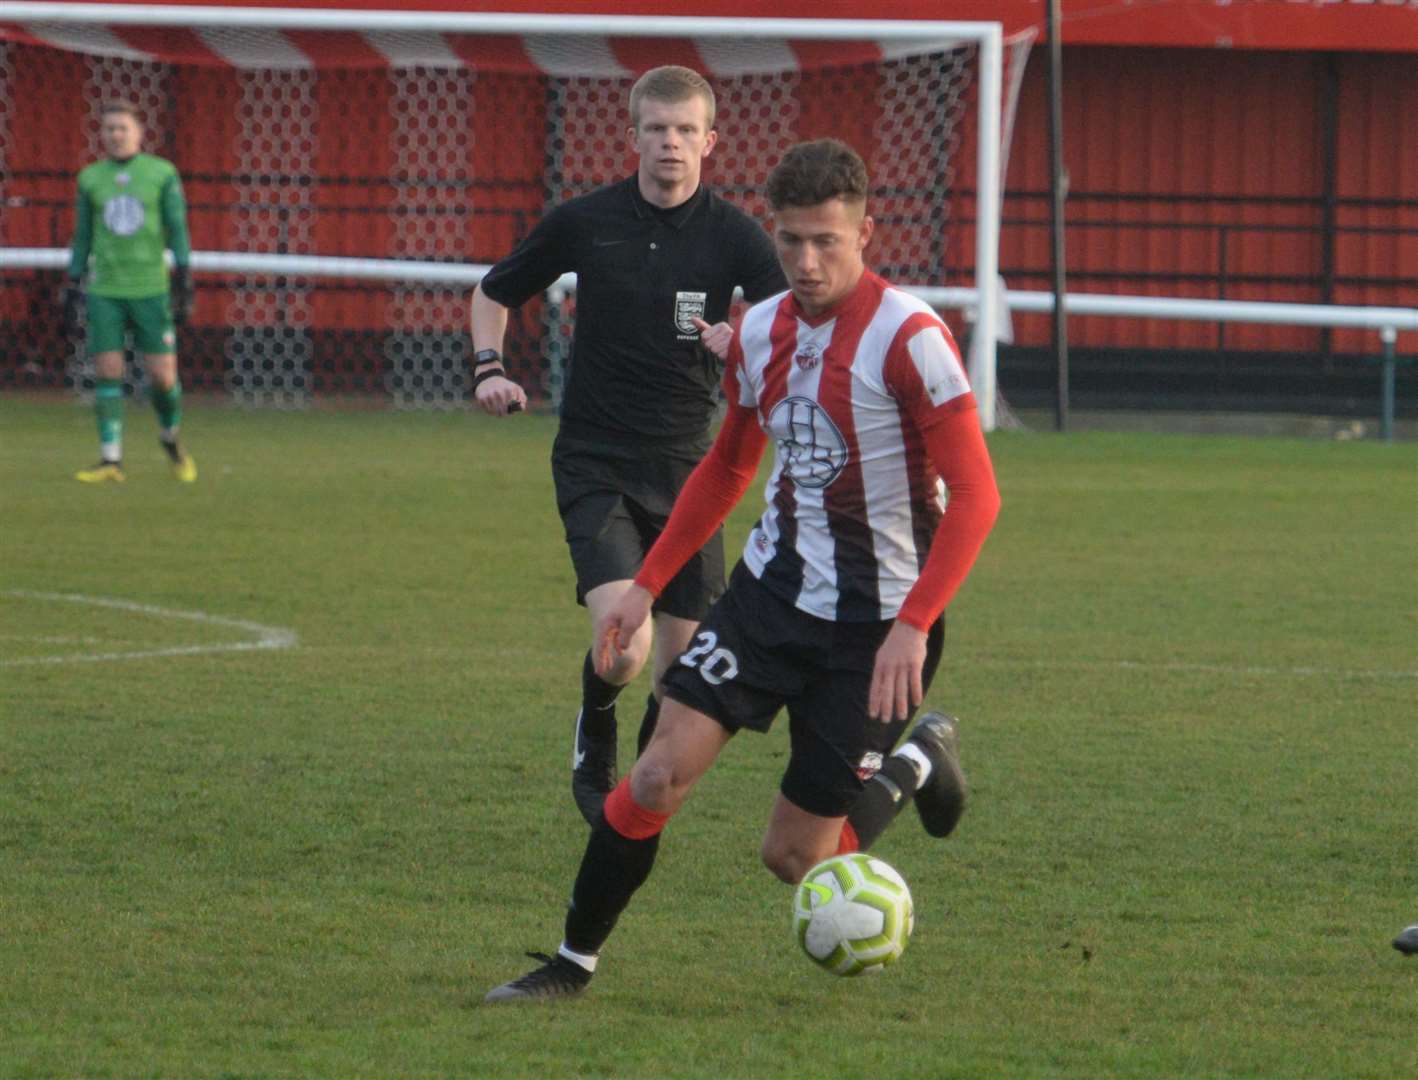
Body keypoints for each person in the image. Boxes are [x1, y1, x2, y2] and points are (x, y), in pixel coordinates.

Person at [484, 138, 1001, 1003]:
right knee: (653, 773)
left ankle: (916, 762)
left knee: (794, 857)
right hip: (770, 598)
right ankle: (570, 965)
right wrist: (647, 583)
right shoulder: (759, 330)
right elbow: (728, 468)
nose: (804, 261)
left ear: (866, 232)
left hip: (876, 628)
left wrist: (913, 624)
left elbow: (978, 498)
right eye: (791, 240)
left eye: (826, 242)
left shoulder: (911, 338)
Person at [468, 66, 786, 824]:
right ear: (633, 136)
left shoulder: (735, 235)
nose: (669, 144)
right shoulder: (588, 220)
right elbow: (493, 291)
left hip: (689, 469)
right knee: (624, 647)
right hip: (595, 459)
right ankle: (597, 719)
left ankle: (630, 798)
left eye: (684, 131)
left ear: (709, 141)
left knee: (682, 681)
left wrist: (740, 334)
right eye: (656, 129)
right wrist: (489, 368)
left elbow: (793, 323)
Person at [65, 100, 196, 484]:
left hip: (150, 290)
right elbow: (83, 235)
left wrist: (184, 277)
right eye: (109, 129)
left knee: (163, 379)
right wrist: (74, 283)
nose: (116, 135)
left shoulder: (161, 174)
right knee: (107, 370)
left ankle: (170, 436)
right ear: (101, 135)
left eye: (123, 128)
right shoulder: (90, 179)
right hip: (105, 289)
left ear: (139, 132)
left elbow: (177, 227)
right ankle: (110, 460)